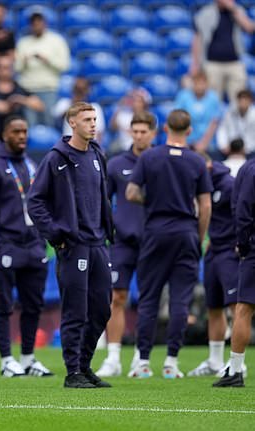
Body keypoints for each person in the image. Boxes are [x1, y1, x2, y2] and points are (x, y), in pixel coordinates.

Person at [27, 102, 114, 389]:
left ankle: (85, 365)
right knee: (75, 310)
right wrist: (56, 234)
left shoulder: (97, 153)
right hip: (73, 245)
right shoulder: (56, 158)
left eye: (95, 118)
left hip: (98, 242)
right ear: (72, 123)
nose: (93, 123)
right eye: (87, 119)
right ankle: (72, 371)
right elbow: (35, 201)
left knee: (102, 309)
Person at [126, 109, 212, 379]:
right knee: (180, 301)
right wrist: (198, 236)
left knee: (149, 298)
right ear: (189, 131)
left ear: (164, 129)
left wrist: (152, 202)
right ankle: (171, 362)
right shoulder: (197, 161)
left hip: (155, 231)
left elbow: (130, 192)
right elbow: (206, 205)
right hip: (186, 231)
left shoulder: (150, 156)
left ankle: (142, 361)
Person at [0, 115, 52, 378]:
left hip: (34, 246)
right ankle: (6, 359)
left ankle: (28, 357)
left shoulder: (32, 166)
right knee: (4, 304)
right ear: (3, 135)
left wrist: (42, 240)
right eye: (16, 131)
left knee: (34, 305)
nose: (21, 136)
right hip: (8, 246)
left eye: (24, 131)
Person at [95, 111, 156, 378]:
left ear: (153, 133)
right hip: (122, 242)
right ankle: (114, 357)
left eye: (145, 131)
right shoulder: (117, 163)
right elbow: (103, 202)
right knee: (117, 297)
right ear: (130, 132)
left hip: (153, 242)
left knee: (147, 301)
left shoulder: (160, 161)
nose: (140, 135)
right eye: (136, 130)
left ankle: (141, 359)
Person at [189, 156, 240, 377]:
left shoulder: (229, 184)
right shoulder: (202, 184)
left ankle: (238, 362)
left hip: (230, 250)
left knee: (235, 306)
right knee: (214, 307)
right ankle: (215, 360)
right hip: (213, 249)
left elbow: (244, 212)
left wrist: (241, 242)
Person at [213, 155, 255, 387]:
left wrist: (243, 244)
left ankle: (236, 370)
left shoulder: (249, 169)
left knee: (244, 309)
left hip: (253, 249)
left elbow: (242, 210)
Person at [191, 0, 254, 106]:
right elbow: (198, 39)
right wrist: (195, 63)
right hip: (212, 64)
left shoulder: (236, 11)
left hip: (234, 63)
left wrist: (233, 9)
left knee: (239, 101)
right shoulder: (206, 13)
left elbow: (249, 27)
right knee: (213, 102)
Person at [15, 11, 69, 127]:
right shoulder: (23, 43)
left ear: (45, 24)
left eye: (39, 23)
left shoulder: (57, 41)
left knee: (48, 123)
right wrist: (24, 61)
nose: (37, 26)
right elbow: (16, 67)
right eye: (34, 24)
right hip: (27, 89)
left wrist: (47, 60)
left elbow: (64, 65)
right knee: (29, 124)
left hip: (48, 89)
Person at [174, 70, 221, 154]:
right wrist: (183, 140)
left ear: (207, 84)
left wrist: (204, 143)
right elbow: (178, 118)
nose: (200, 86)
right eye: (197, 83)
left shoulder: (213, 97)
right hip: (186, 141)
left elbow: (214, 122)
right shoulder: (183, 96)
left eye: (202, 83)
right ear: (192, 83)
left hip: (208, 144)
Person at [217, 89, 255, 156]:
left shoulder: (253, 115)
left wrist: (243, 149)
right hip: (230, 149)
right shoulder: (230, 111)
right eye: (241, 99)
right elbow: (223, 129)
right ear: (237, 101)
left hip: (249, 151)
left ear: (250, 101)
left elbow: (252, 139)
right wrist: (223, 145)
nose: (243, 102)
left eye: (245, 99)